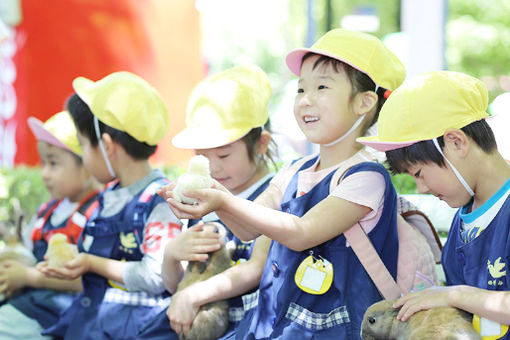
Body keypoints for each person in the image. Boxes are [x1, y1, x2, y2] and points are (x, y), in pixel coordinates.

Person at [161, 28, 406, 339]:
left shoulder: (366, 178)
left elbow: (302, 233)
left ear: (364, 103)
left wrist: (221, 201)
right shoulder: (294, 169)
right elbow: (248, 227)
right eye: (301, 89)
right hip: (278, 326)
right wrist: (212, 193)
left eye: (321, 87)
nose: (306, 101)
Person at [357, 71, 510, 339]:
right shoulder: (464, 217)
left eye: (418, 174)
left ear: (455, 141)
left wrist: (454, 295)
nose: (422, 188)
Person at [37, 71, 183, 339]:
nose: (83, 155)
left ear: (106, 146)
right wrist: (73, 257)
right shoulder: (110, 194)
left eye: (82, 145)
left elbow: (156, 275)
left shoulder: (159, 201)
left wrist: (92, 263)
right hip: (90, 325)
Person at [138, 64, 277, 339]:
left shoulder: (275, 193)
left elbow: (259, 267)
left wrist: (193, 295)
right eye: (202, 155)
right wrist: (172, 255)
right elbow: (176, 284)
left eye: (224, 155)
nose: (213, 167)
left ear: (261, 144)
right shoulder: (197, 199)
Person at [0, 110, 101, 339]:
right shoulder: (48, 210)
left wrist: (27, 276)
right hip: (25, 304)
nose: (44, 173)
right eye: (43, 163)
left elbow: (87, 281)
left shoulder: (95, 215)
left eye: (53, 163)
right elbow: (24, 252)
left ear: (86, 164)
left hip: (54, 317)